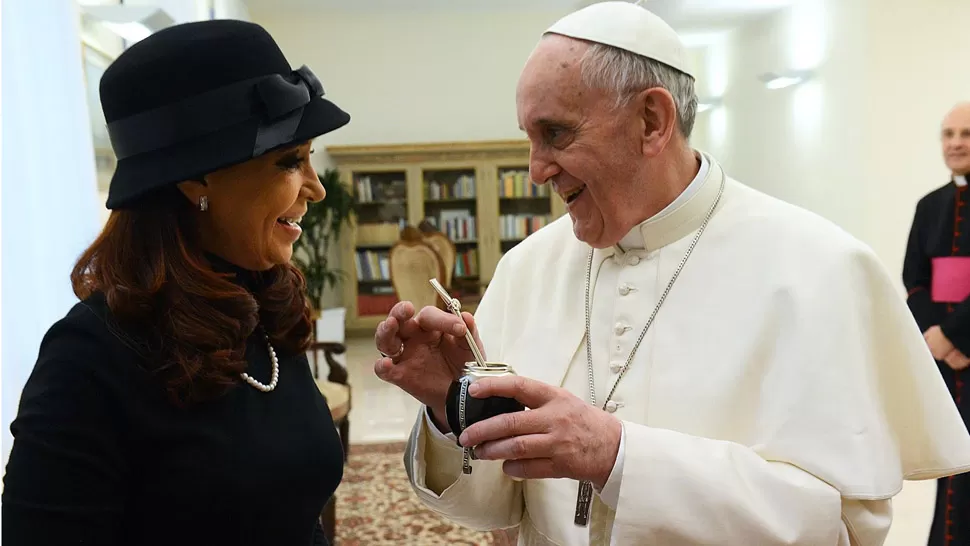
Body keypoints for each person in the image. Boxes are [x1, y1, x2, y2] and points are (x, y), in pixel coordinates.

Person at [374, 3, 970, 545]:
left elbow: (837, 528)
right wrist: (452, 412)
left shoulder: (818, 269)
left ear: (652, 121)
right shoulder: (528, 266)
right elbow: (500, 507)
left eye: (555, 133)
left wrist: (620, 458)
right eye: (529, 138)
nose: (534, 171)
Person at [2, 20, 350, 546]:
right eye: (289, 162)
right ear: (196, 179)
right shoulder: (89, 359)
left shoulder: (265, 304)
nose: (316, 189)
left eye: (310, 159)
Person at [903, 101, 970, 546]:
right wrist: (937, 338)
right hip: (945, 359)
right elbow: (914, 279)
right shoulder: (930, 205)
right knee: (950, 468)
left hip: (961, 346)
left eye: (965, 134)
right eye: (948, 134)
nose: (956, 143)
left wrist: (955, 335)